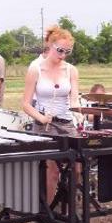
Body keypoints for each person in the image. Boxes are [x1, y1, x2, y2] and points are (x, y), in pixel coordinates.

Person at [22, 25, 81, 207]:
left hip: (66, 124)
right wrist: (40, 118)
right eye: (60, 50)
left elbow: (74, 101)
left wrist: (80, 117)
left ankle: (69, 212)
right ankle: (46, 215)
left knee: (78, 168)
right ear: (50, 45)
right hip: (44, 125)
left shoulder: (71, 70)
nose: (63, 55)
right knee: (52, 172)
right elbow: (25, 104)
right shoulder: (35, 68)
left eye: (67, 51)